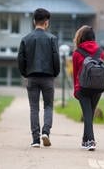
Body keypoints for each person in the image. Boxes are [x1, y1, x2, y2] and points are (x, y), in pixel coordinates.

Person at [17, 8, 60, 148]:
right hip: (48, 77)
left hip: (32, 77)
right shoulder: (52, 39)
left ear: (34, 21)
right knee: (48, 106)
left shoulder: (25, 39)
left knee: (34, 108)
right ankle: (46, 132)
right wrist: (55, 73)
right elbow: (56, 59)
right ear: (46, 22)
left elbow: (20, 60)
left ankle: (35, 140)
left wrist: (25, 73)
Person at [72, 25, 104, 151]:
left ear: (81, 37)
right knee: (89, 114)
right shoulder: (100, 52)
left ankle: (90, 141)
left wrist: (76, 91)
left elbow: (75, 74)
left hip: (83, 87)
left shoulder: (77, 53)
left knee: (87, 114)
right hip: (97, 87)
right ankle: (85, 140)